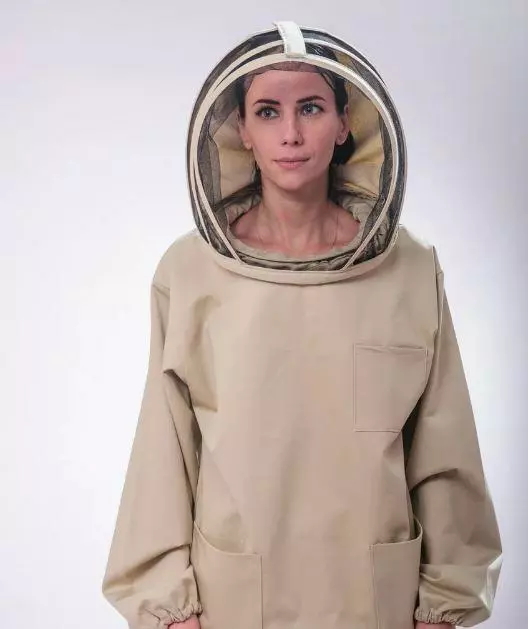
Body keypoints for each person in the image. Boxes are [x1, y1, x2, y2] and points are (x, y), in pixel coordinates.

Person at [101, 20, 503, 629]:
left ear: (344, 123)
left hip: (375, 600)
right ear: (241, 130)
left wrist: (444, 604)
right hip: (235, 600)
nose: (290, 133)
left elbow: (444, 444)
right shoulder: (189, 272)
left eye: (310, 107)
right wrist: (168, 605)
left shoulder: (411, 269)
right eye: (268, 111)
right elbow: (165, 445)